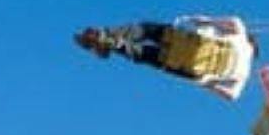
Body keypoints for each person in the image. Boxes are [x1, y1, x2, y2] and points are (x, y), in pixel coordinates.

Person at [75, 15, 256, 101]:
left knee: (145, 31)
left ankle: (105, 35)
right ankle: (110, 44)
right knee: (143, 53)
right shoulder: (243, 77)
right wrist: (209, 85)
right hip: (189, 68)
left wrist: (203, 20)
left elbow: (234, 21)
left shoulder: (241, 36)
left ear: (250, 42)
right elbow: (232, 96)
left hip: (188, 42)